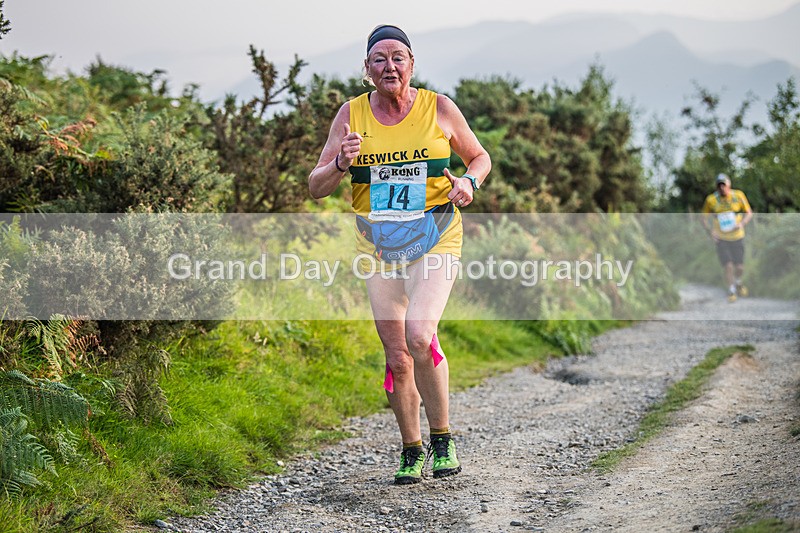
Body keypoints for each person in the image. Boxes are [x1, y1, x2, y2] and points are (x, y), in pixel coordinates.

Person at [308, 24, 491, 484]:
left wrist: (469, 182)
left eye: (398, 57)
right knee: (396, 355)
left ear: (411, 64)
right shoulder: (350, 115)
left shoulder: (438, 107)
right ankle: (411, 448)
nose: (390, 66)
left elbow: (479, 157)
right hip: (378, 247)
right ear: (367, 69)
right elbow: (316, 187)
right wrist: (341, 162)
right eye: (380, 59)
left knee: (419, 335)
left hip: (435, 235)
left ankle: (442, 438)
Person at [701, 173, 753, 302]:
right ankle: (731, 291)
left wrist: (741, 224)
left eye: (724, 185)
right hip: (721, 238)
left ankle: (738, 282)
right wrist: (710, 231)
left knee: (739, 267)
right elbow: (703, 218)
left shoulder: (738, 196)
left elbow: (749, 213)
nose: (722, 188)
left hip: (737, 236)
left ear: (729, 185)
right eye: (719, 186)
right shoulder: (711, 200)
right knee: (728, 265)